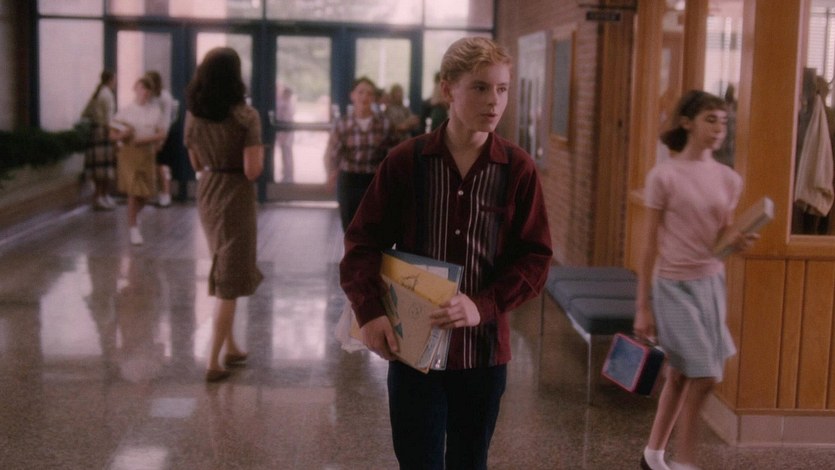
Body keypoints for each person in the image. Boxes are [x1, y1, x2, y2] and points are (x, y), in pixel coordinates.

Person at [340, 37, 552, 469]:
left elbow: (535, 258)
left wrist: (482, 305)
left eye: (502, 89)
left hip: (483, 352)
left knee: (470, 461)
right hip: (412, 348)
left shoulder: (518, 168)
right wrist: (370, 312)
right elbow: (362, 244)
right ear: (447, 89)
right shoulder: (406, 161)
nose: (494, 101)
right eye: (480, 87)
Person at [633, 90, 759, 470]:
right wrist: (642, 307)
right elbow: (648, 245)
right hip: (674, 286)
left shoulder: (729, 179)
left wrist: (737, 241)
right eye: (710, 119)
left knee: (681, 374)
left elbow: (720, 238)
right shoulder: (664, 175)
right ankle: (686, 462)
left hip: (711, 284)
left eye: (724, 122)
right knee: (706, 375)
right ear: (687, 123)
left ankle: (653, 456)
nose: (719, 128)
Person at [184, 47, 264, 383]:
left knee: (223, 262)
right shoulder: (246, 117)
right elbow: (252, 170)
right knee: (229, 280)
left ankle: (231, 346)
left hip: (208, 191)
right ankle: (213, 360)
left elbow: (196, 162)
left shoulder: (194, 116)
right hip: (235, 196)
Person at [325, 76, 398, 231]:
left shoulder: (385, 124)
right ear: (352, 95)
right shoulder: (342, 124)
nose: (365, 97)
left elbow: (395, 153)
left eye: (369, 93)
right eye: (360, 92)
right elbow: (332, 154)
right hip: (349, 180)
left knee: (374, 227)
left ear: (374, 98)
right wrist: (330, 174)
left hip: (375, 180)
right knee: (350, 227)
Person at [110, 76, 167, 246]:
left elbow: (162, 133)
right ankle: (133, 228)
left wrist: (146, 140)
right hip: (129, 154)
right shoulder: (125, 111)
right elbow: (113, 135)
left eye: (148, 90)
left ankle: (134, 215)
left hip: (147, 153)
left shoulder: (155, 111)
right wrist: (124, 134)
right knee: (134, 191)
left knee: (147, 193)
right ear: (135, 89)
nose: (144, 93)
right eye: (142, 88)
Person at [82, 70, 117, 211]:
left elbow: (85, 113)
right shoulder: (107, 95)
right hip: (104, 133)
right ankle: (101, 195)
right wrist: (115, 135)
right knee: (104, 168)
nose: (116, 82)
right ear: (111, 80)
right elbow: (109, 120)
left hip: (95, 132)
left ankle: (100, 196)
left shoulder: (97, 93)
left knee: (98, 168)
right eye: (115, 79)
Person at [144, 70, 179, 207]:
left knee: (162, 166)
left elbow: (166, 119)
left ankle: (166, 194)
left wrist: (161, 139)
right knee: (156, 165)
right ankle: (161, 193)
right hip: (153, 134)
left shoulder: (164, 97)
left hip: (163, 134)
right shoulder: (151, 97)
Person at [275, 86, 296, 182]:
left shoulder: (286, 105)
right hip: (285, 134)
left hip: (286, 134)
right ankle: (287, 175)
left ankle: (288, 176)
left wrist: (284, 135)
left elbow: (286, 121)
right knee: (286, 155)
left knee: (286, 155)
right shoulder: (287, 104)